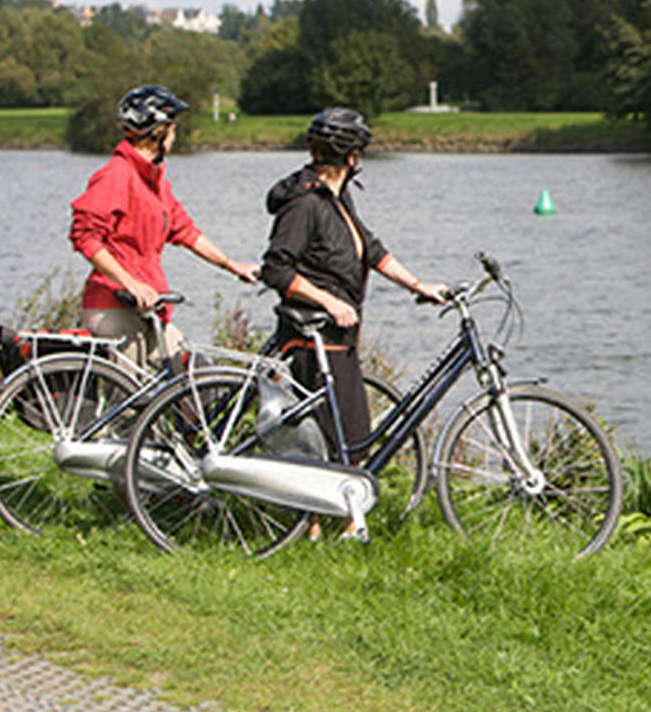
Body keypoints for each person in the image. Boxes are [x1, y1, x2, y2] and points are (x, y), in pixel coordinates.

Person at [261, 107, 449, 515]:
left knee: (351, 435)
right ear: (351, 156)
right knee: (324, 439)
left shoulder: (337, 197)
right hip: (312, 337)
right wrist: (328, 301)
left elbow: (371, 250)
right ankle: (316, 523)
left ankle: (335, 520)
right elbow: (276, 269)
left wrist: (419, 285)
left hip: (339, 339)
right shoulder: (306, 204)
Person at [69, 85, 259, 367]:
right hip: (115, 305)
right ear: (159, 132)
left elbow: (186, 232)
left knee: (193, 374)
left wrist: (232, 265)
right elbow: (86, 237)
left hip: (147, 304)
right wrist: (130, 283)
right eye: (173, 129)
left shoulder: (153, 181)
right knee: (132, 403)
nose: (175, 135)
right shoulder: (116, 175)